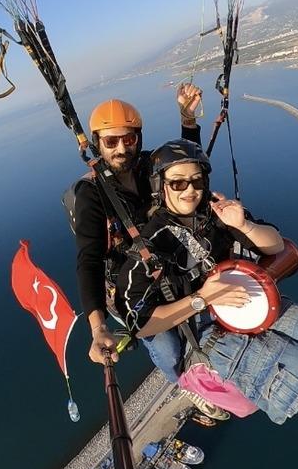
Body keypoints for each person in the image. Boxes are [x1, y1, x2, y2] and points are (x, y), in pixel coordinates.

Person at [113, 139, 298, 469]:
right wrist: (203, 298)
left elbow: (276, 245)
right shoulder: (149, 246)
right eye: (178, 183)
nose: (190, 190)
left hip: (243, 305)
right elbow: (142, 324)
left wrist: (242, 224)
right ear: (161, 186)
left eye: (197, 181)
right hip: (202, 330)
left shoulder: (215, 215)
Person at [70, 85, 230, 420]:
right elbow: (89, 260)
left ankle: (217, 365)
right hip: (130, 284)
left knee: (205, 315)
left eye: (128, 139)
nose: (121, 148)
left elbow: (185, 168)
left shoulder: (149, 166)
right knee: (167, 347)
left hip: (169, 264)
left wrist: (188, 119)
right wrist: (98, 327)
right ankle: (186, 383)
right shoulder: (92, 193)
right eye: (111, 141)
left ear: (138, 138)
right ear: (97, 143)